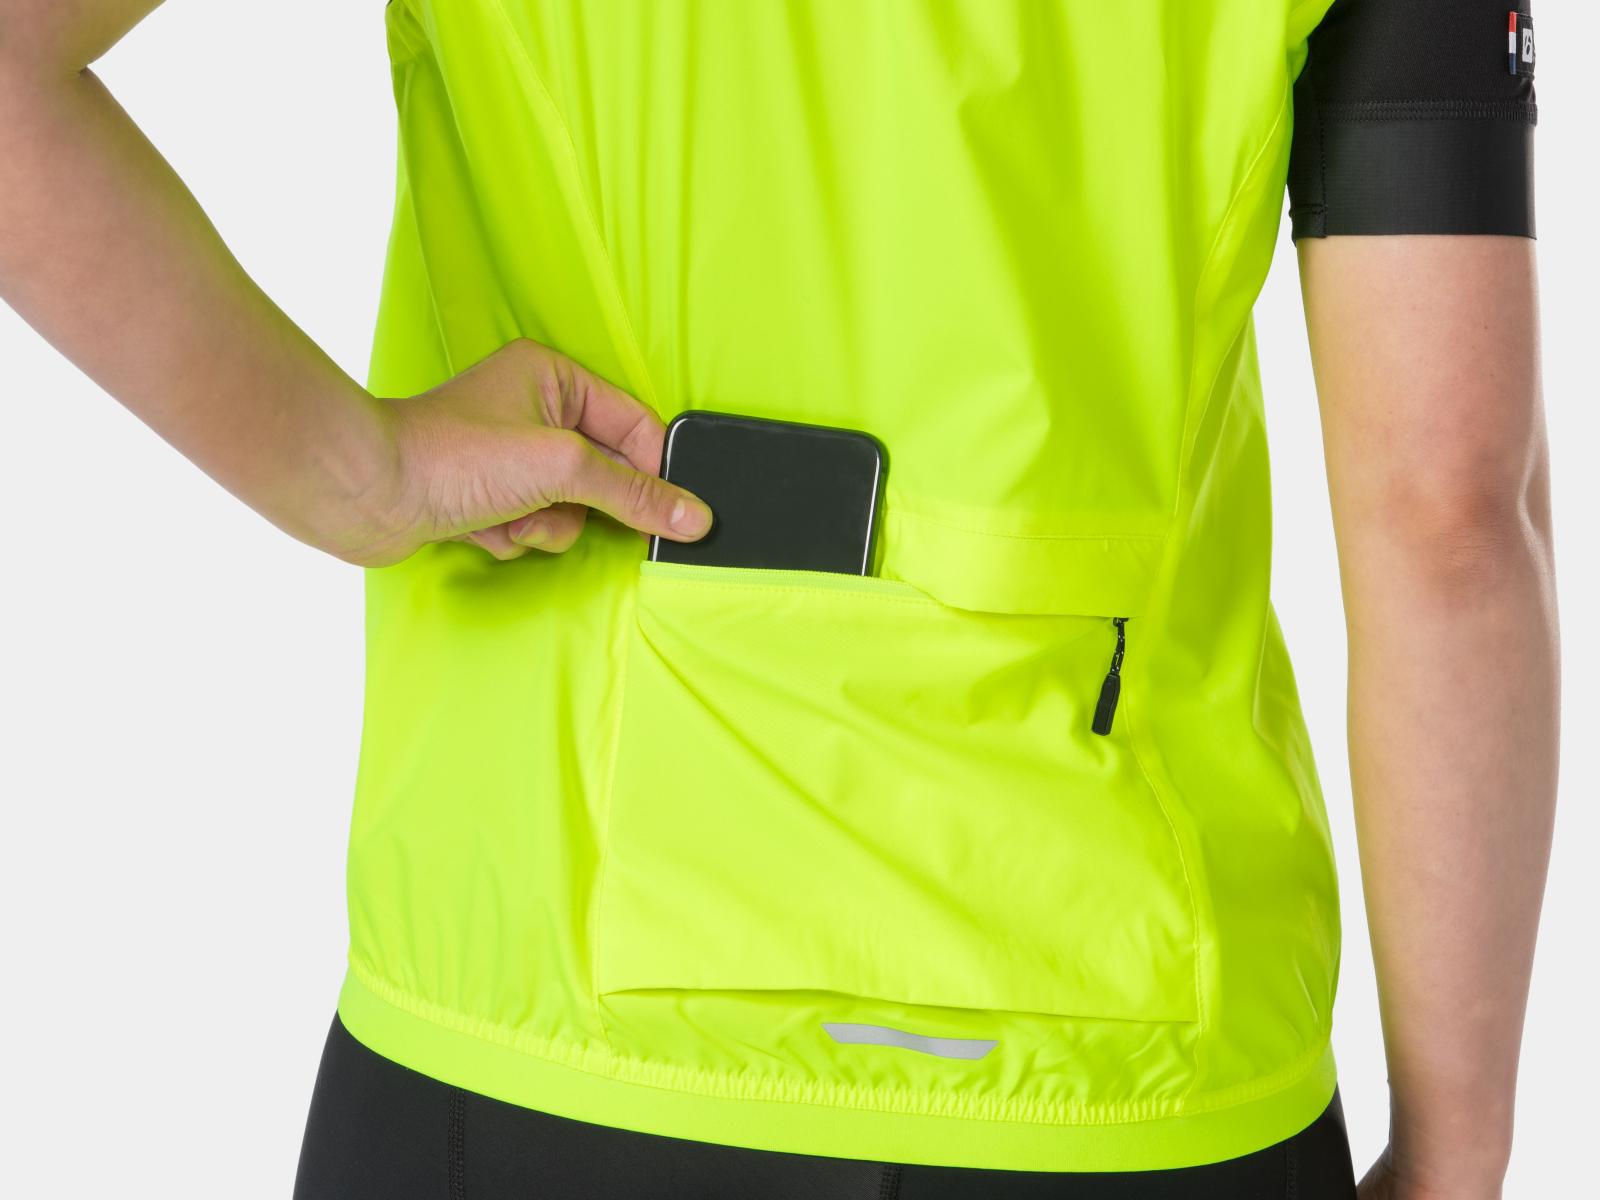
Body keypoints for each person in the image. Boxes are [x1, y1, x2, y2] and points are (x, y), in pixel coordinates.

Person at [0, 1, 1558, 1197]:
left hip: (537, 1017)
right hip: (1131, 1051)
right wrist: (1460, 1141)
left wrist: (356, 477)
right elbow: (1446, 512)